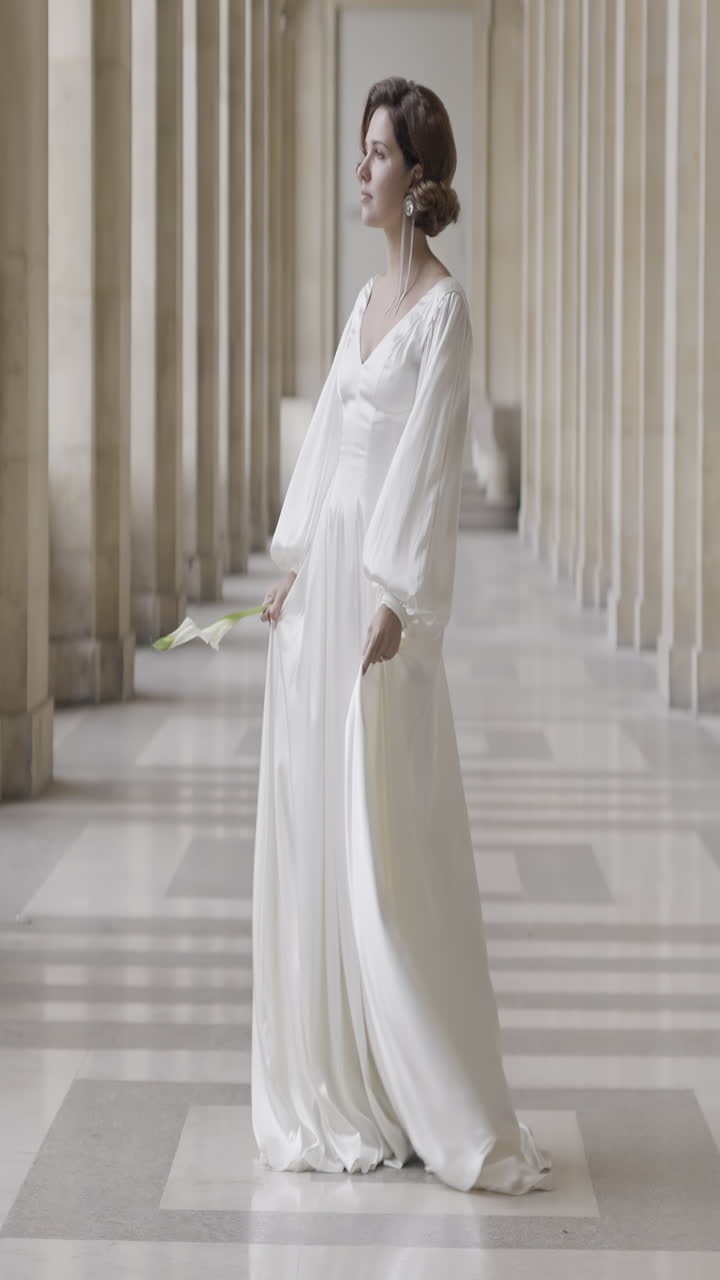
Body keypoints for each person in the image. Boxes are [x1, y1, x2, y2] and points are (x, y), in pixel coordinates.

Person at [253, 76, 551, 1196]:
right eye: (362, 149)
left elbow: (423, 469)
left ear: (417, 178)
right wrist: (294, 575)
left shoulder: (441, 312)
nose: (361, 167)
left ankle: (421, 1072)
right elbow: (332, 442)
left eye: (377, 153)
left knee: (385, 841)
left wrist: (392, 598)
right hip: (329, 584)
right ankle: (344, 1068)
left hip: (382, 603)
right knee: (323, 821)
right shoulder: (363, 309)